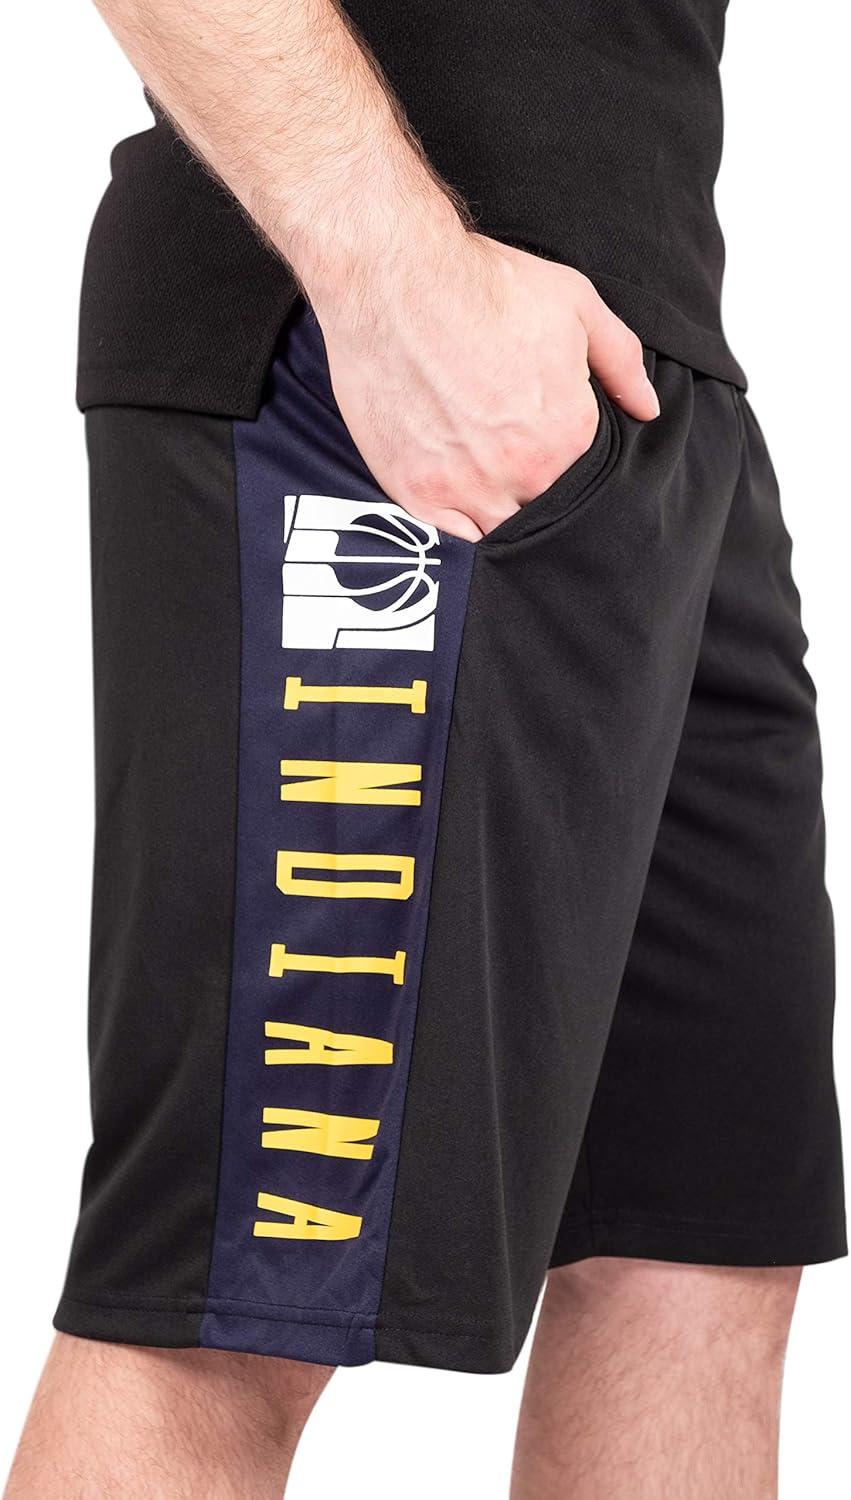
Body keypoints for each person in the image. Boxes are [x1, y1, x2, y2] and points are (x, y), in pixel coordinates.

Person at [4, 2, 846, 1496]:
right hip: (383, 375)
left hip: (644, 373)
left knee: (698, 1238)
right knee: (243, 1295)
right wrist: (391, 269)